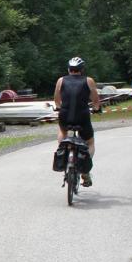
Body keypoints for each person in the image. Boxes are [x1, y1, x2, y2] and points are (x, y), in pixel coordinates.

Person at [54, 56, 101, 187]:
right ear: (82, 69)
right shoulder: (89, 80)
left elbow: (57, 99)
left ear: (69, 69)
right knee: (90, 142)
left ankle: (62, 150)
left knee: (63, 131)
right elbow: (96, 100)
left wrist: (59, 107)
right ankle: (85, 171)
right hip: (82, 116)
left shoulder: (61, 80)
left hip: (65, 115)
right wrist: (96, 109)